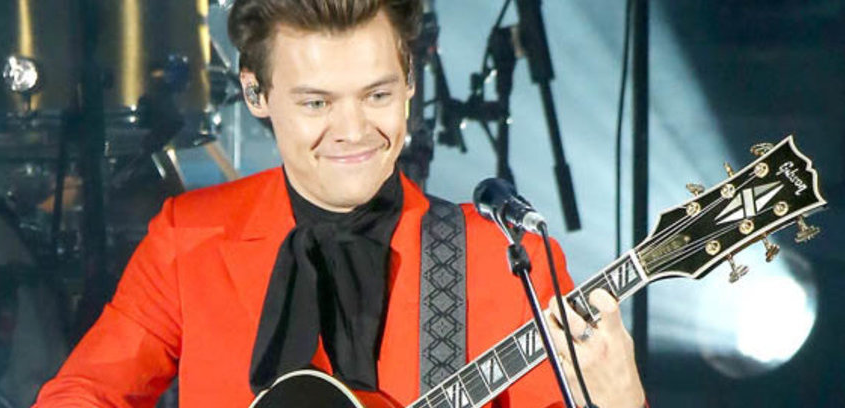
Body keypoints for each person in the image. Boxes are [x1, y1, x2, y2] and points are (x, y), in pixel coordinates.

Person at [34, 0, 645, 406]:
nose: (353, 132)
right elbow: (80, 394)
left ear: (411, 81)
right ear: (255, 93)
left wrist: (620, 402)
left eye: (377, 95)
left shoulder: (508, 258)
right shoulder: (191, 235)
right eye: (316, 103)